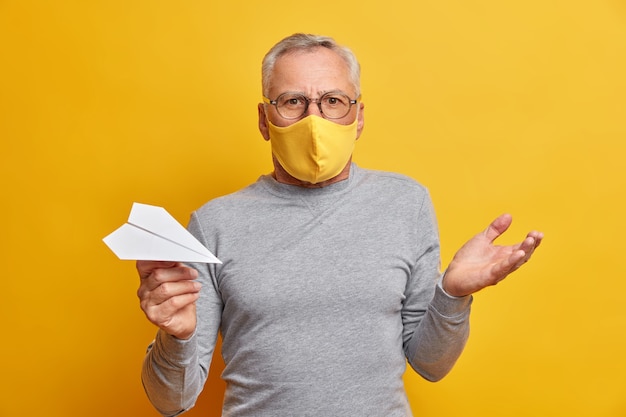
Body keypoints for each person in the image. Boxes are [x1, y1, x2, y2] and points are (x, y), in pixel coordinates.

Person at [136, 33, 543, 417]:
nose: (314, 119)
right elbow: (171, 400)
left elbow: (430, 364)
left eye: (332, 100)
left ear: (359, 116)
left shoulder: (405, 203)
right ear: (264, 119)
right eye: (292, 101)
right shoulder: (214, 223)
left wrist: (451, 295)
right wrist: (177, 338)